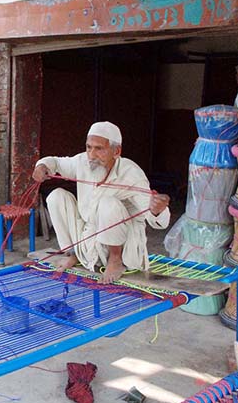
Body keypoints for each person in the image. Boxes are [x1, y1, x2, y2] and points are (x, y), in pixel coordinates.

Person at [32, 121, 171, 283]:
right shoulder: (83, 162)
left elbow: (155, 216)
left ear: (116, 151)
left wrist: (157, 209)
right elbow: (55, 162)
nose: (91, 155)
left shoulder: (131, 173)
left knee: (107, 203)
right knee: (56, 196)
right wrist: (42, 166)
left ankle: (115, 259)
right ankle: (74, 254)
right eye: (88, 147)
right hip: (89, 237)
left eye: (99, 149)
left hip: (123, 243)